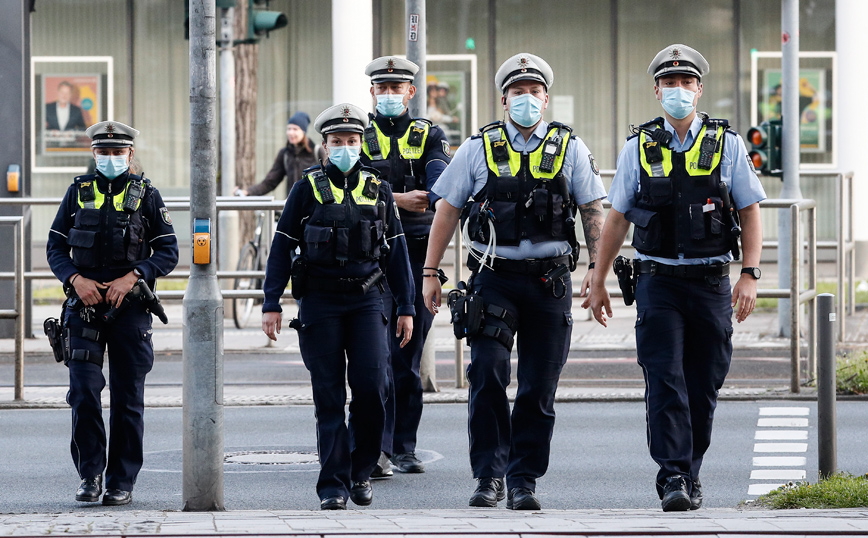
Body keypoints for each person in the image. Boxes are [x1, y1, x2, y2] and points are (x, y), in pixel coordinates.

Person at [582, 44, 765, 512]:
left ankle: (691, 468)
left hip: (710, 283)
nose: (678, 90)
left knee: (703, 384)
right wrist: (599, 278)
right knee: (665, 380)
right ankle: (673, 477)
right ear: (657, 90)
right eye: (669, 83)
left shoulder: (727, 143)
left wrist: (749, 273)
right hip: (657, 282)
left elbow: (749, 209)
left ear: (699, 89)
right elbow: (618, 217)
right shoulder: (638, 147)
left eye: (686, 82)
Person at [422, 53, 606, 510]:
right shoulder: (477, 148)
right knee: (486, 375)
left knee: (538, 388)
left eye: (535, 92)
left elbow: (593, 212)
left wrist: (598, 274)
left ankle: (523, 479)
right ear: (504, 99)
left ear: (546, 98)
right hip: (493, 279)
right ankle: (489, 475)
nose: (527, 99)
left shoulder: (570, 148)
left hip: (550, 284)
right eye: (518, 92)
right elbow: (446, 209)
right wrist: (430, 272)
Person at [260, 103, 416, 510]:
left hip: (367, 301)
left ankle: (360, 470)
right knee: (328, 396)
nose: (344, 147)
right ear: (324, 146)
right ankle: (332, 484)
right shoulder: (306, 188)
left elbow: (397, 252)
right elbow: (281, 246)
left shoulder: (378, 188)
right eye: (336, 142)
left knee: (371, 389)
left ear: (360, 144)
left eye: (351, 141)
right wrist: (271, 302)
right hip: (320, 303)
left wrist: (406, 306)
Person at [46, 121, 179, 506]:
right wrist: (74, 279)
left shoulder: (147, 194)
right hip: (83, 309)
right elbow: (55, 247)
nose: (110, 159)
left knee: (127, 398)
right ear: (93, 154)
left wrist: (135, 275)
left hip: (130, 309)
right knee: (84, 393)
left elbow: (168, 251)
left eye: (117, 153)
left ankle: (121, 480)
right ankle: (90, 474)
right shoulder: (78, 192)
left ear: (130, 155)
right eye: (103, 152)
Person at [360, 56, 452, 478]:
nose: (390, 95)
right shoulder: (357, 137)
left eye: (397, 88)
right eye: (383, 88)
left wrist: (409, 195)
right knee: (372, 359)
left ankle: (403, 448)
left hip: (416, 255)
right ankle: (374, 448)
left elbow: (437, 188)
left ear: (411, 92)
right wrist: (398, 198)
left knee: (406, 358)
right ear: (373, 92)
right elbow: (348, 186)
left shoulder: (431, 134)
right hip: (368, 257)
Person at [235, 111, 326, 197]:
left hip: (316, 206)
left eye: (295, 129)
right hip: (295, 206)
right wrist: (247, 192)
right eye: (289, 129)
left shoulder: (317, 152)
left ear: (303, 132)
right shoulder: (285, 154)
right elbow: (270, 182)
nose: (291, 132)